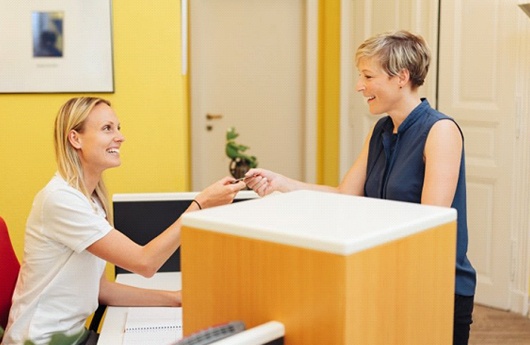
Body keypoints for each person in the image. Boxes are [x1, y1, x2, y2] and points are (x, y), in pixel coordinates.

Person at [244, 30, 476, 345]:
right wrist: (280, 183)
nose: (359, 86)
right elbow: (344, 195)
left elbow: (428, 227)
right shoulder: (380, 130)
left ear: (401, 77)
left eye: (367, 75)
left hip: (436, 287)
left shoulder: (441, 131)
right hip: (388, 278)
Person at [2, 97, 246, 345]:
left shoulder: (90, 199)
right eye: (107, 128)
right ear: (75, 138)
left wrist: (176, 298)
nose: (120, 137)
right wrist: (200, 206)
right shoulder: (61, 201)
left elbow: (101, 290)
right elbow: (145, 263)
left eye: (118, 127)